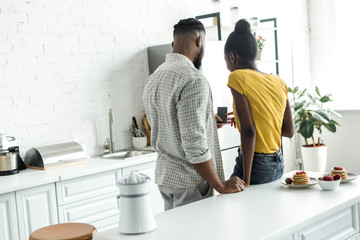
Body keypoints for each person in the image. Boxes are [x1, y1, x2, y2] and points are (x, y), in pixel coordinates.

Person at [143, 18, 245, 211]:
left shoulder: (154, 77)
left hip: (166, 178)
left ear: (174, 44)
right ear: (199, 41)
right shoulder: (193, 78)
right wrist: (220, 185)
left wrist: (206, 121)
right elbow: (194, 143)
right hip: (190, 180)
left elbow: (169, 123)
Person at [224, 19, 294, 187]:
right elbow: (289, 131)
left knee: (227, 203)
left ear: (232, 57)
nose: (226, 65)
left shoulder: (237, 77)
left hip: (254, 165)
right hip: (277, 164)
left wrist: (246, 180)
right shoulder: (278, 81)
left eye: (225, 60)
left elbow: (249, 132)